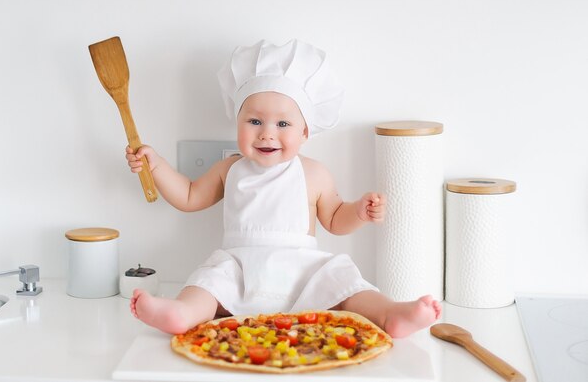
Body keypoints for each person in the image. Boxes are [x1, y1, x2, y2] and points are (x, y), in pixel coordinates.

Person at [126, 39, 441, 338]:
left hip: (302, 269)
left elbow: (334, 219)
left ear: (305, 131)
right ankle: (181, 313)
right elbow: (189, 196)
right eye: (254, 122)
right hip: (240, 265)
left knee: (346, 284)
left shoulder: (314, 173)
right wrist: (157, 166)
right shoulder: (230, 169)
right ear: (237, 122)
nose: (267, 134)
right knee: (207, 283)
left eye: (282, 124)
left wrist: (358, 211)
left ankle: (389, 314)